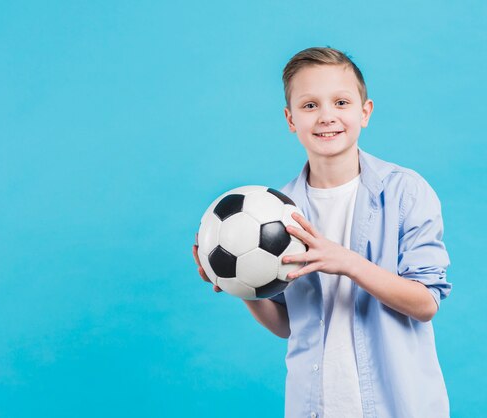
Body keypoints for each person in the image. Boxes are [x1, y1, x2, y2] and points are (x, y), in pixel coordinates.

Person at [192, 47, 452, 418]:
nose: (326, 116)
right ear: (290, 119)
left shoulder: (404, 192)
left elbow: (426, 303)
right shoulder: (276, 210)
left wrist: (348, 262)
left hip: (398, 406)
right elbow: (286, 325)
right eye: (310, 105)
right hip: (315, 406)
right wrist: (243, 284)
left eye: (341, 102)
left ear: (365, 112)